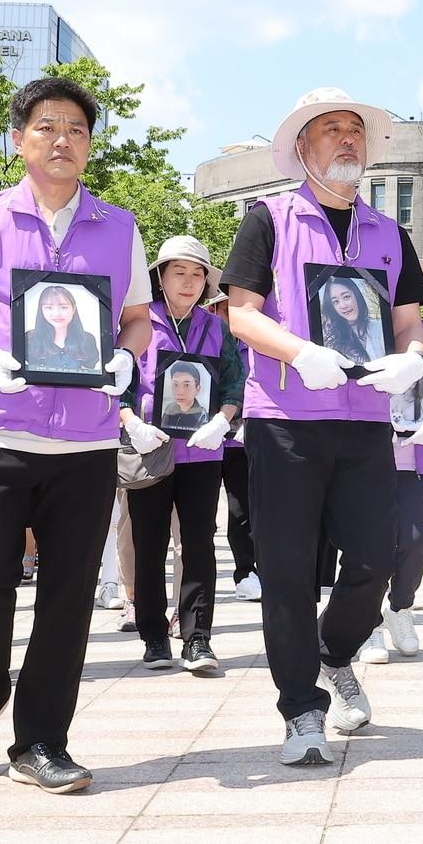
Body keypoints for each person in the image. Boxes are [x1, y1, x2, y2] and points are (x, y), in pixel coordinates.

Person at [0, 77, 152, 794]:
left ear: (89, 145)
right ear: (18, 139)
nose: (62, 140)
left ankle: (42, 738)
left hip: (85, 441)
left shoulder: (120, 226)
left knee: (69, 593)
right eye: (46, 126)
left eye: (77, 129)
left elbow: (137, 318)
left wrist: (126, 356)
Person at [221, 87, 423, 766]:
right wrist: (298, 351)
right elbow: (242, 313)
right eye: (331, 129)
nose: (347, 139)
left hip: (366, 422)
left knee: (376, 557)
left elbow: (408, 326)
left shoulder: (389, 233)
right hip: (285, 420)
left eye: (356, 131)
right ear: (302, 149)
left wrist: (412, 362)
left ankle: (334, 652)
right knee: (286, 572)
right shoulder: (269, 220)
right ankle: (300, 710)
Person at [120, 235, 243, 674]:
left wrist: (222, 420)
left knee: (197, 544)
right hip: (149, 450)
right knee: (148, 544)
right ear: (160, 277)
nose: (189, 282)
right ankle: (154, 637)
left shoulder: (216, 326)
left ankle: (197, 638)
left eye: (198, 274)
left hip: (202, 453)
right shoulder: (139, 322)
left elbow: (234, 382)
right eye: (180, 272)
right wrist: (130, 422)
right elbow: (118, 382)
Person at [362, 261, 423, 664]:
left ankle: (400, 607)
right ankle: (365, 624)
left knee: (415, 538)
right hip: (369, 454)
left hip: (414, 454)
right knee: (369, 541)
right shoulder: (367, 332)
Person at [206, 290, 260, 602]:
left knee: (245, 509)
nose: (227, 315)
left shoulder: (255, 345)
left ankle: (248, 571)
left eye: (231, 308)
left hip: (246, 440)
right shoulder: (206, 342)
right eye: (222, 309)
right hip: (208, 440)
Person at [23, 284, 101, 374]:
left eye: (63, 307)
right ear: (41, 310)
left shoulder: (87, 339)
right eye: (49, 307)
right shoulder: (30, 338)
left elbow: (88, 373)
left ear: (74, 308)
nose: (56, 314)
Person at [321, 277, 385, 366]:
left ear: (356, 296)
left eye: (346, 297)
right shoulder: (333, 342)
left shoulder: (380, 328)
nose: (343, 305)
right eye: (336, 302)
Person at [159, 362, 211, 431]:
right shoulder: (170, 408)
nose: (180, 392)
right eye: (175, 384)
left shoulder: (203, 417)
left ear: (197, 389)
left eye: (186, 385)